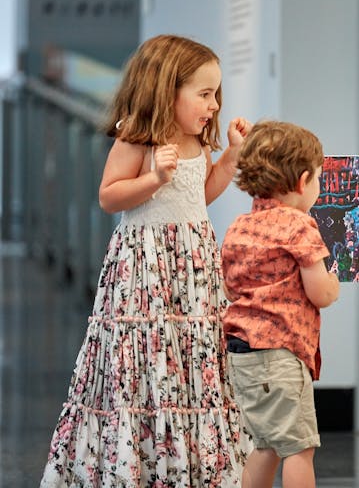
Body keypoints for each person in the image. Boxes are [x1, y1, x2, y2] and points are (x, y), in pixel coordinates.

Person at [40, 34, 252, 486]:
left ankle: (188, 466)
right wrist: (154, 177)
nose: (213, 105)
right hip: (146, 268)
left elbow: (202, 193)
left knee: (190, 359)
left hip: (192, 269)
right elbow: (109, 196)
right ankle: (138, 460)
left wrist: (231, 156)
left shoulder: (198, 142)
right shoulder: (137, 138)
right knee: (143, 361)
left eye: (216, 94)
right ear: (165, 89)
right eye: (204, 94)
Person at [220, 120, 340, 488]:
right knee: (299, 449)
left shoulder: (240, 226)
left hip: (242, 354)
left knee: (266, 444)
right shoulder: (299, 226)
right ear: (303, 181)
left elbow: (229, 288)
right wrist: (333, 283)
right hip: (281, 355)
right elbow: (320, 291)